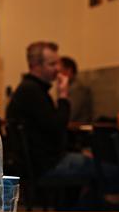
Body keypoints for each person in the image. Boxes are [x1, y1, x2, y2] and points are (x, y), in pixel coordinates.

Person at [6, 41, 93, 181]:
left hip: (42, 163)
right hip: (46, 166)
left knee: (98, 165)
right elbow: (58, 127)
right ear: (35, 66)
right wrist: (63, 95)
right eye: (52, 64)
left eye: (57, 63)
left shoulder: (31, 88)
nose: (58, 69)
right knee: (112, 170)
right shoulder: (32, 91)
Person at [59, 56, 93, 123]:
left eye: (60, 71)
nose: (57, 75)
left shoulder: (78, 88)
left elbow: (70, 114)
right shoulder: (69, 86)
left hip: (78, 129)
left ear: (69, 71)